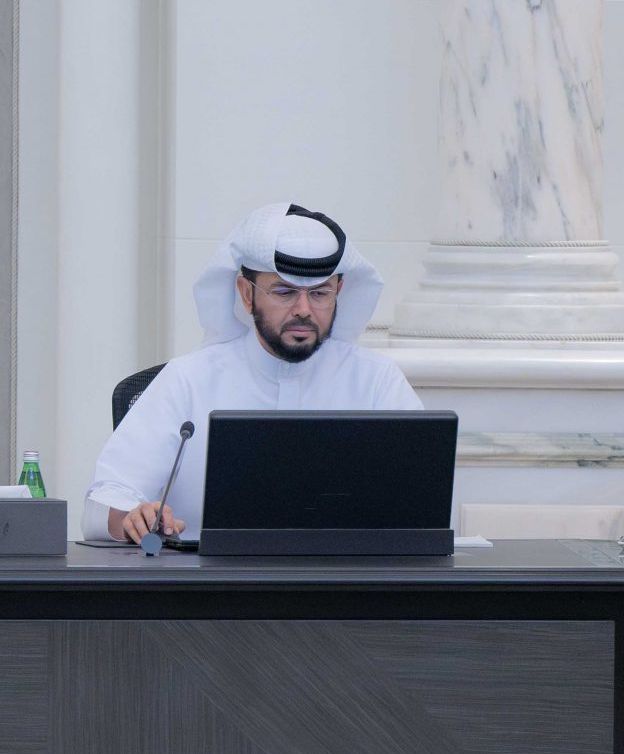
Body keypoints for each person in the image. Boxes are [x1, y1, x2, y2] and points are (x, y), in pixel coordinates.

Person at [84, 201, 422, 543]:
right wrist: (132, 518)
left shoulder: (376, 381)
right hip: (205, 575)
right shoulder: (188, 380)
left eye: (320, 293)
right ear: (247, 294)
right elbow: (104, 503)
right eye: (285, 292)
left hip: (347, 573)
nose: (304, 309)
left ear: (339, 292)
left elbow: (423, 500)